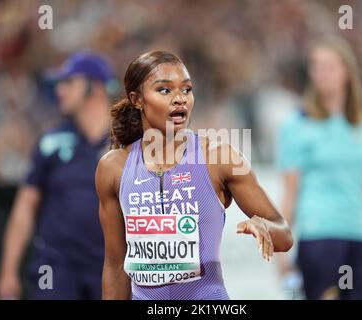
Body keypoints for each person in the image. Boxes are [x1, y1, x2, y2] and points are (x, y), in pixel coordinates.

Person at [96, 50, 293, 300]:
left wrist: (264, 226)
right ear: (137, 99)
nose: (180, 99)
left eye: (186, 90)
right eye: (165, 90)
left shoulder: (219, 157)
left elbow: (284, 234)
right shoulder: (113, 168)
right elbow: (114, 265)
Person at [0, 52, 115, 299]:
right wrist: (8, 271)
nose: (60, 90)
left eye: (69, 83)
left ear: (95, 87)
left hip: (109, 266)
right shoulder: (51, 142)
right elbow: (26, 205)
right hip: (56, 265)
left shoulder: (128, 144)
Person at [276, 36, 362, 299]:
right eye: (316, 67)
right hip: (320, 235)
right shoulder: (297, 125)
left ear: (346, 72)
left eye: (329, 66)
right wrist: (281, 249)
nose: (321, 74)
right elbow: (290, 192)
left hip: (361, 235)